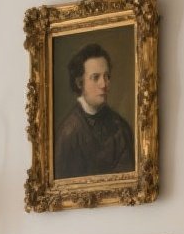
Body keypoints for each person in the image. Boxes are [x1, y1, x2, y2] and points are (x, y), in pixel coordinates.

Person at [54, 43, 135, 179]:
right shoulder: (68, 134)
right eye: (95, 77)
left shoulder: (121, 128)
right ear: (80, 83)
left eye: (107, 76)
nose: (104, 84)